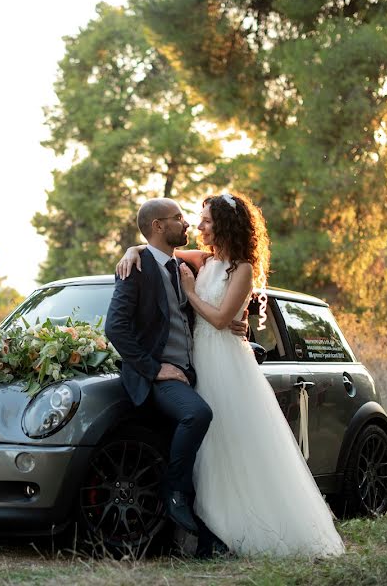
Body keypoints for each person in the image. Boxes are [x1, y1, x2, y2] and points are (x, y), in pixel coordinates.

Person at [116, 193, 345, 558]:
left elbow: (222, 319)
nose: (199, 225)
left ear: (223, 224)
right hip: (196, 364)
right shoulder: (204, 260)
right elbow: (158, 252)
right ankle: (205, 532)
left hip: (224, 362)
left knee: (231, 445)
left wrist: (190, 292)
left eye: (205, 220)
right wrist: (130, 250)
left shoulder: (242, 269)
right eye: (197, 219)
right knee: (209, 450)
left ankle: (243, 529)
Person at [104, 197, 248, 539]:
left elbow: (221, 302)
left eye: (195, 219)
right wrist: (154, 369)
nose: (189, 225)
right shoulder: (136, 268)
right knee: (197, 414)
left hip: (197, 370)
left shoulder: (187, 266)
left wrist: (240, 322)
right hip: (161, 375)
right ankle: (175, 493)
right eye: (179, 218)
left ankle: (208, 534)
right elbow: (115, 328)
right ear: (158, 226)